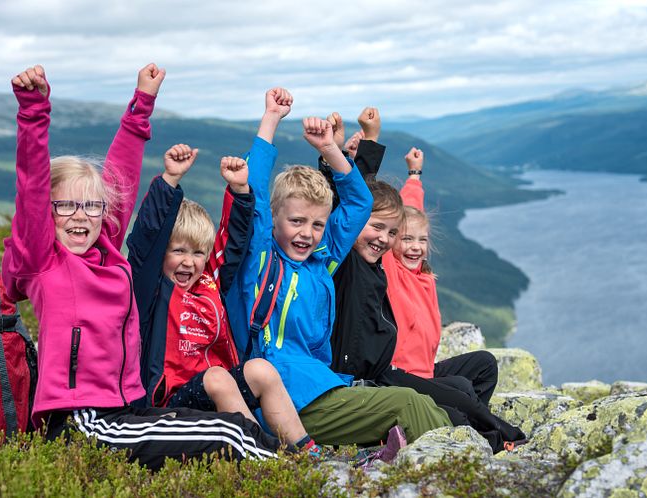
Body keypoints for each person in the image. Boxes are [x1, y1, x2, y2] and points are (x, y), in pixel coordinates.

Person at [2, 64, 279, 471]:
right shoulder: (45, 263)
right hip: (81, 421)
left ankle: (309, 464)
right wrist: (33, 111)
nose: (82, 215)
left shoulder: (109, 257)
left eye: (92, 205)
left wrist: (141, 106)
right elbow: (31, 188)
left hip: (126, 409)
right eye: (66, 206)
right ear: (48, 214)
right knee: (226, 435)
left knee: (230, 425)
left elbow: (122, 179)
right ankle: (309, 477)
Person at [217, 89, 451, 447]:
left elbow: (360, 203)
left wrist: (329, 149)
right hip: (288, 400)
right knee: (408, 404)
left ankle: (459, 459)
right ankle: (462, 468)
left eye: (316, 224)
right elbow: (256, 193)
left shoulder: (320, 261)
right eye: (296, 221)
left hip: (321, 386)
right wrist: (270, 119)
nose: (306, 234)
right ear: (275, 222)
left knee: (424, 404)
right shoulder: (261, 261)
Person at [326, 110, 526, 453]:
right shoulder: (373, 263)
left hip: (416, 372)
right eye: (401, 238)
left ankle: (470, 428)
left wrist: (414, 175)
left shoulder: (418, 272)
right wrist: (356, 146)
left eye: (411, 238)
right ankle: (503, 440)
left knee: (480, 370)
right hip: (386, 375)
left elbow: (406, 215)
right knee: (460, 393)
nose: (406, 243)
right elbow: (358, 207)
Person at [126, 143, 320, 455]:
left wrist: (240, 190)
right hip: (167, 405)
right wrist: (169, 181)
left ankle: (309, 451)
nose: (189, 262)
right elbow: (145, 240)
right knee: (216, 377)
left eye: (197, 253)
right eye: (178, 251)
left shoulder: (209, 284)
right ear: (162, 254)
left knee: (260, 369)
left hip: (214, 391)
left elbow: (231, 244)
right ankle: (265, 456)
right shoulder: (152, 291)